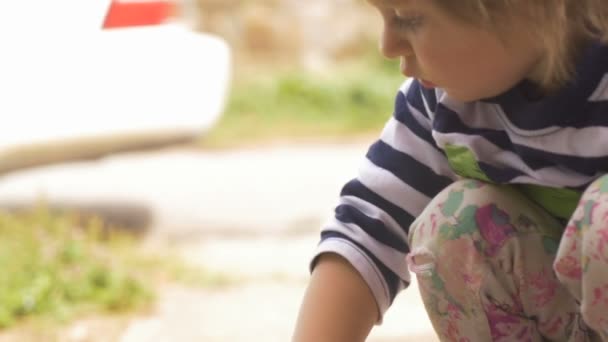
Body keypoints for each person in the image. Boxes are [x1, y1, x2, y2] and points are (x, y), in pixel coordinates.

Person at [293, 0, 608, 341]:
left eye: (408, 18)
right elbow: (369, 228)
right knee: (457, 223)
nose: (387, 46)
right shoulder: (445, 102)